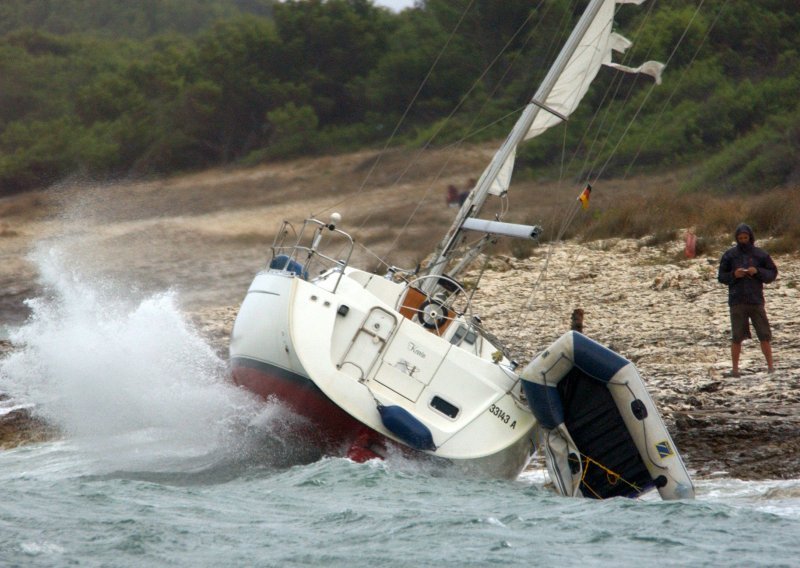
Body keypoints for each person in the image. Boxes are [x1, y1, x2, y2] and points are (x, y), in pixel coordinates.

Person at [717, 223, 778, 377]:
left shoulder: (761, 254)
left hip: (756, 300)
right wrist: (733, 275)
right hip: (737, 300)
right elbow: (721, 277)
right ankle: (735, 369)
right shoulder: (729, 255)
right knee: (737, 336)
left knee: (764, 335)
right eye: (740, 238)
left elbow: (772, 273)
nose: (743, 240)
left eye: (745, 237)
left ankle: (771, 367)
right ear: (736, 238)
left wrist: (757, 271)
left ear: (750, 237)